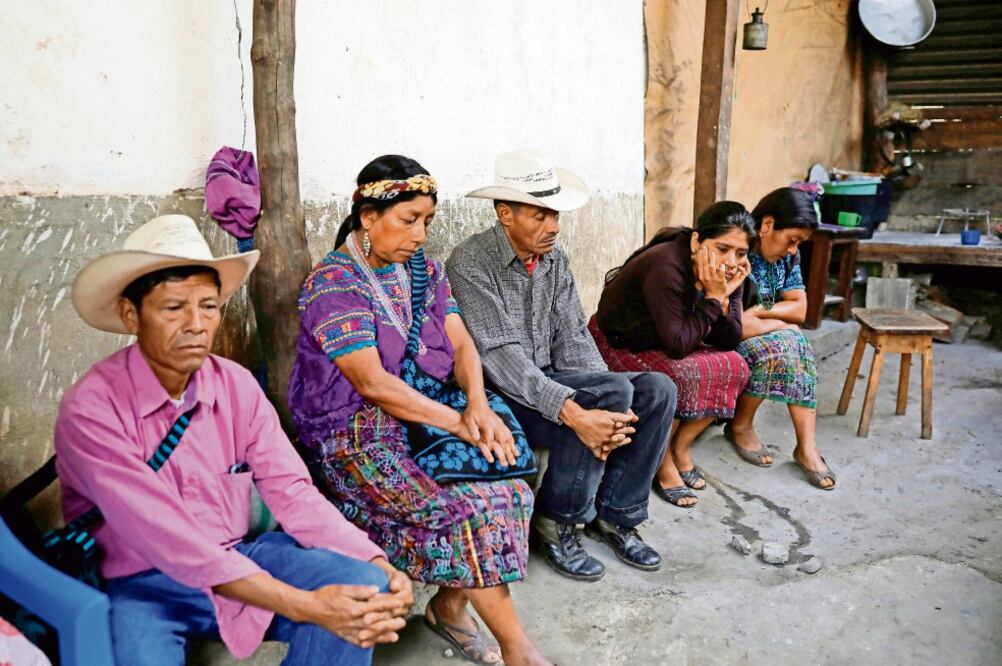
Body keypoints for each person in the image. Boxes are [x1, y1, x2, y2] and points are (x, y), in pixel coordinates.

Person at [56, 215, 412, 666]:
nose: (196, 324)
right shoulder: (90, 408)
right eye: (172, 308)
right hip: (140, 585)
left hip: (241, 557)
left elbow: (293, 493)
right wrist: (304, 605)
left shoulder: (236, 385)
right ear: (132, 314)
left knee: (366, 590)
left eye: (208, 306)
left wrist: (377, 561)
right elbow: (167, 537)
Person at [288, 155, 550, 666]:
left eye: (426, 221)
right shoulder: (335, 283)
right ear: (367, 216)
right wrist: (459, 423)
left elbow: (462, 344)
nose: (419, 234)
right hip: (354, 437)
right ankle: (520, 649)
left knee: (514, 479)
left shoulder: (423, 272)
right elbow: (371, 383)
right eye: (408, 220)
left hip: (423, 419)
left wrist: (477, 404)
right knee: (474, 509)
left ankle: (450, 608)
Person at [447, 149, 676, 581]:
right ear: (505, 214)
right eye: (539, 215)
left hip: (546, 379)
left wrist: (613, 408)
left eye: (555, 215)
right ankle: (558, 520)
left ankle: (617, 515)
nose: (552, 226)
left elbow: (573, 336)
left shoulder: (555, 260)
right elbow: (500, 357)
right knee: (605, 396)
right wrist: (578, 407)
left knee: (656, 390)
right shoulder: (471, 263)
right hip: (501, 393)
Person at [590, 202, 756, 508]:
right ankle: (662, 458)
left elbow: (730, 339)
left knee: (737, 366)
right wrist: (714, 297)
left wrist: (728, 294)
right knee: (683, 374)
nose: (731, 261)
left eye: (741, 253)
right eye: (722, 248)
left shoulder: (726, 273)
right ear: (696, 241)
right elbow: (677, 344)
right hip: (620, 344)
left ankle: (681, 446)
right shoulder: (665, 265)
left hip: (671, 339)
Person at [729, 187, 836, 490]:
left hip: (756, 327)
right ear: (766, 225)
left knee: (793, 341)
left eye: (799, 244)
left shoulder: (786, 259)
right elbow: (732, 322)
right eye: (792, 240)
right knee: (785, 343)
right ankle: (741, 424)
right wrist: (778, 321)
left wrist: (763, 315)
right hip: (723, 333)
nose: (793, 250)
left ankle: (806, 447)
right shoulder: (736, 248)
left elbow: (800, 308)